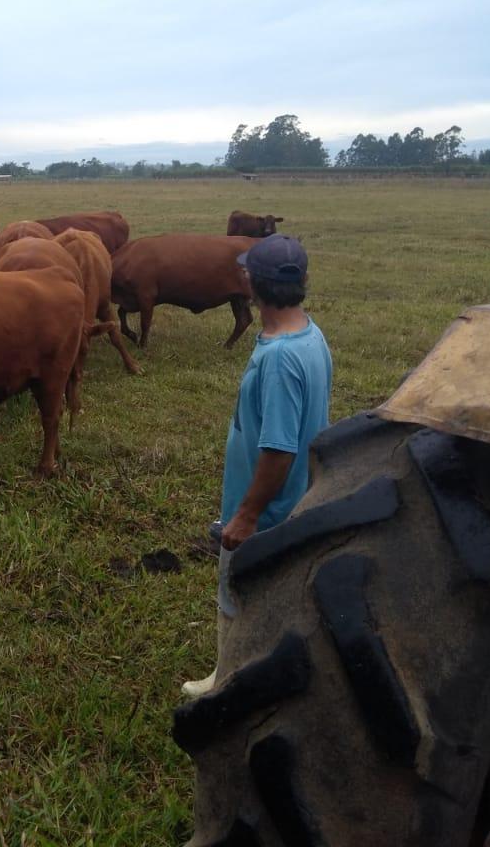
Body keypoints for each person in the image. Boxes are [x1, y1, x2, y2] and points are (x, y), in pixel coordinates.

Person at [182, 234, 332, 698]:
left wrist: (246, 514)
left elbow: (279, 449)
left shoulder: (281, 358)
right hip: (295, 495)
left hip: (266, 508)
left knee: (236, 593)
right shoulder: (308, 334)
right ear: (303, 281)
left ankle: (227, 680)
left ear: (250, 283)